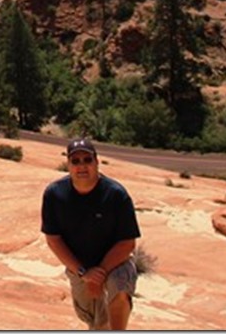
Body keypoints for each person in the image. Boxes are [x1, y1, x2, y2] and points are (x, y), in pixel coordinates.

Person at [40, 137, 140, 330]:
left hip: (114, 261)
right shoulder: (54, 194)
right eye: (75, 161)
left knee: (119, 286)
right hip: (79, 265)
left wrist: (99, 273)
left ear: (96, 162)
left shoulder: (116, 195)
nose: (82, 166)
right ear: (68, 165)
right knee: (95, 321)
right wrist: (84, 273)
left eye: (87, 160)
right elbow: (53, 239)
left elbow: (127, 243)